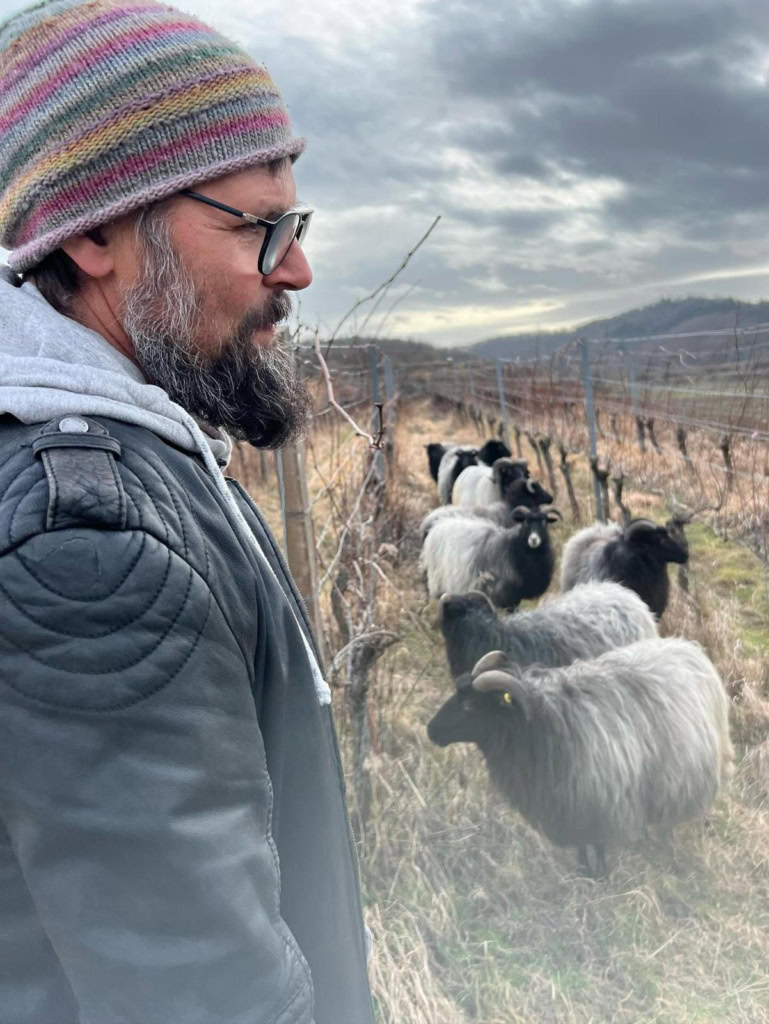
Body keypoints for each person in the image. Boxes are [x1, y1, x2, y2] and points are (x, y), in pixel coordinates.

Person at [0, 1, 374, 1021]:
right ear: (89, 237)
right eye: (260, 227)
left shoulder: (134, 455)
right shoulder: (87, 541)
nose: (294, 268)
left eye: (294, 226)